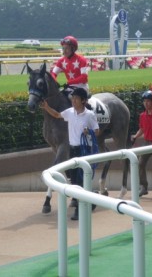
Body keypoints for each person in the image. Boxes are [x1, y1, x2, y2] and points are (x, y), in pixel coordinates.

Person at [40, 87, 99, 220]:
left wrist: (88, 132)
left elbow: (97, 131)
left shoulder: (89, 115)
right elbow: (56, 115)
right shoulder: (70, 112)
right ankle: (92, 200)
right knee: (73, 179)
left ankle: (78, 209)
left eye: (76, 99)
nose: (73, 101)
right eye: (73, 99)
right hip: (72, 150)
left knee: (79, 179)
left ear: (83, 101)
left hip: (84, 150)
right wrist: (46, 107)